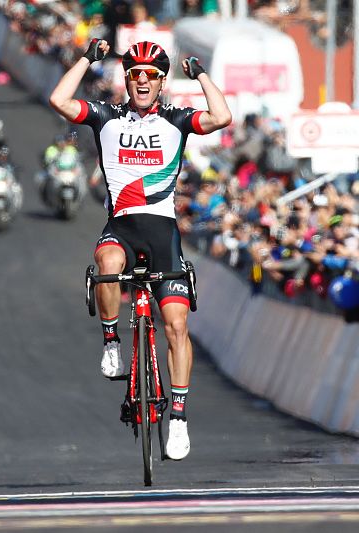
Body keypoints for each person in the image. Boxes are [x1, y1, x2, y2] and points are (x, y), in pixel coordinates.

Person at [49, 39, 231, 460]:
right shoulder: (106, 116)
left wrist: (201, 74)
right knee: (107, 263)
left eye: (151, 75)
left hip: (163, 234)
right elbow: (59, 100)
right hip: (122, 228)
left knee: (176, 325)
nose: (143, 81)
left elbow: (222, 116)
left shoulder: (176, 119)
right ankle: (112, 341)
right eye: (135, 75)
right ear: (126, 80)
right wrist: (87, 59)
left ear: (162, 82)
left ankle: (179, 418)